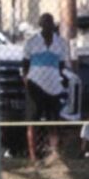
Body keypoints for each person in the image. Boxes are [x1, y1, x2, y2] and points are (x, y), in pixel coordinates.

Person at [22, 12, 70, 162]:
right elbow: (25, 65)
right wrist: (27, 81)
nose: (47, 26)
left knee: (53, 121)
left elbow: (62, 65)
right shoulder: (31, 42)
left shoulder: (61, 43)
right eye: (44, 23)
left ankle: (54, 154)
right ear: (40, 25)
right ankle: (33, 157)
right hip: (35, 85)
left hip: (53, 86)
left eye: (49, 23)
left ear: (52, 25)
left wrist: (61, 79)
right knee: (33, 121)